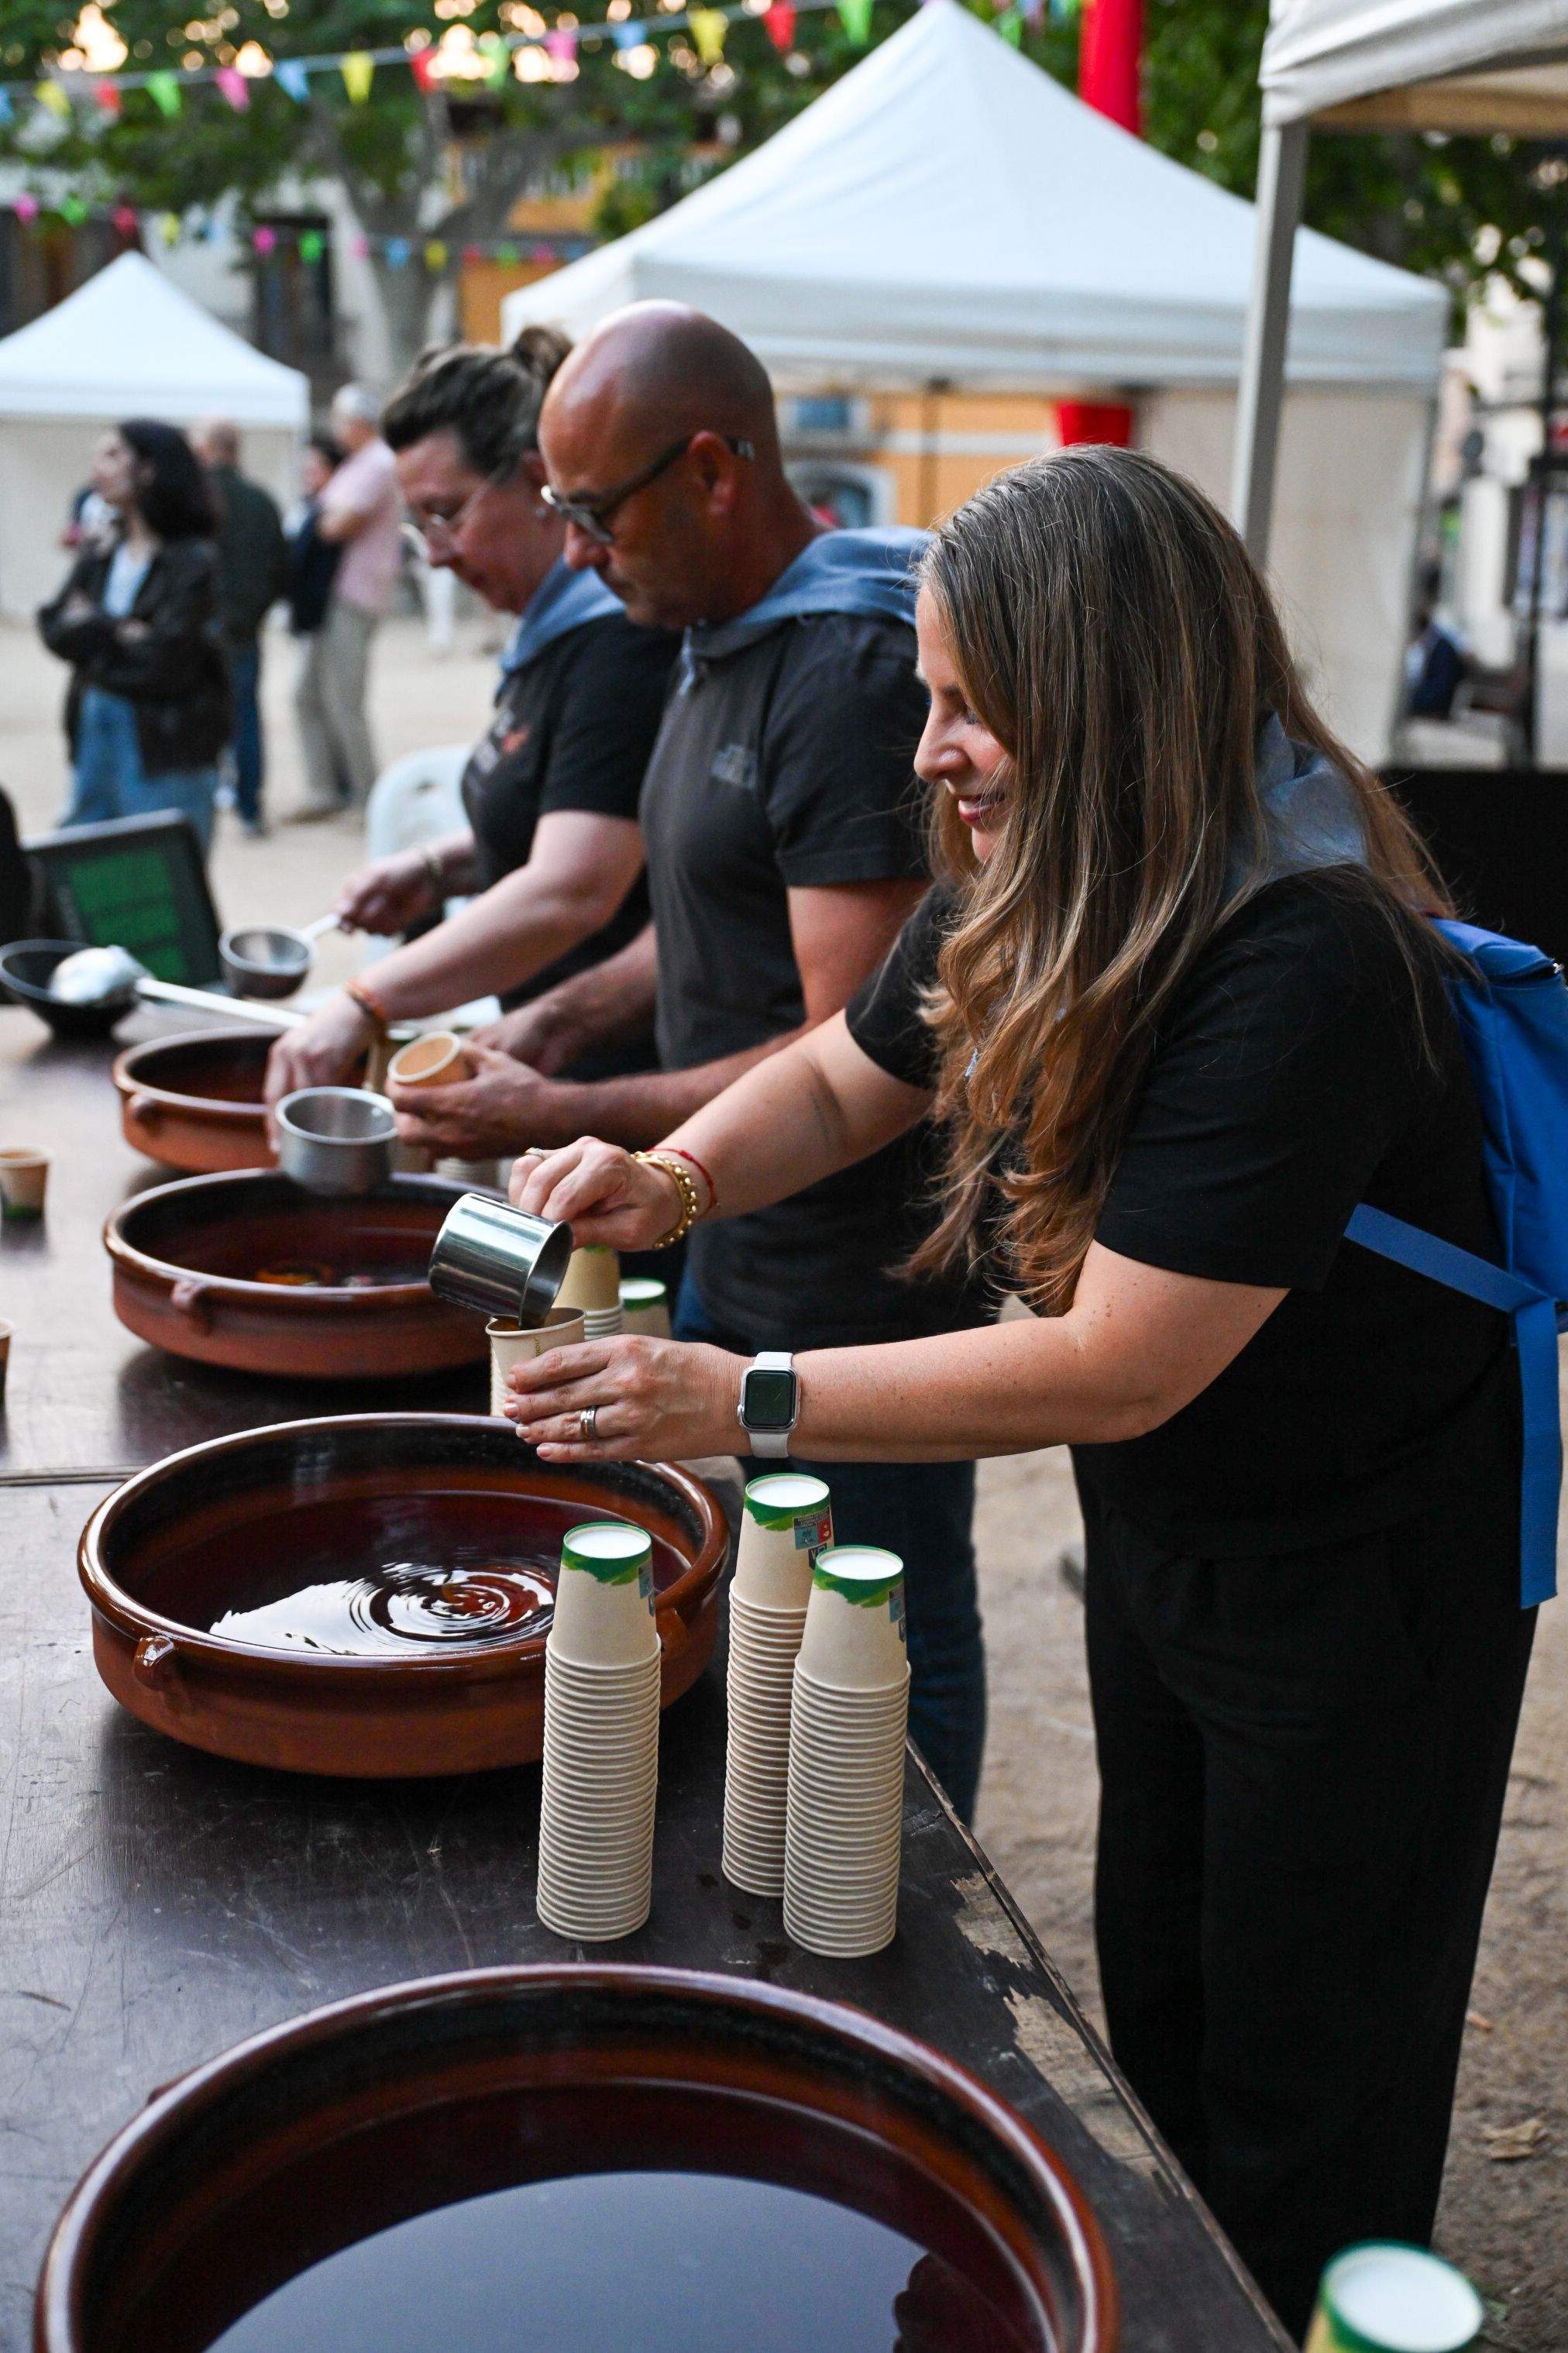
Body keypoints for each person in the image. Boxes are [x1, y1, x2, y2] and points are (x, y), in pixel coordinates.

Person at [496, 448, 1535, 2336]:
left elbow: (1113, 1364)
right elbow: (847, 1074)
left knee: (1312, 2070)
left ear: (1105, 695)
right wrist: (675, 1178)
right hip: (1182, 1526)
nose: (930, 752)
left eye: (970, 704)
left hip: (1363, 1567)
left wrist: (736, 1394)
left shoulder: (1300, 950)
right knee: (1167, 1985)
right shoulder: (1049, 860)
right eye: (927, 694)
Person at [390, 302, 990, 1822]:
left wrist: (568, 1110)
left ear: (714, 471)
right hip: (735, 1230)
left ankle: (921, 1907)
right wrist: (558, 1021)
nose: (577, 550)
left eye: (596, 512)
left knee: (879, 1628)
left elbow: (855, 1041)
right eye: (561, 510)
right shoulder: (707, 638)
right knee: (758, 1629)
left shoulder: (846, 668)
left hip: (854, 1274)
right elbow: (714, 912)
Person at [263, 328, 677, 1116]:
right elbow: (586, 810)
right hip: (562, 1068)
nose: (437, 554)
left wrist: (363, 999)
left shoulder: (617, 646)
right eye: (419, 526)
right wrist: (437, 868)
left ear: (535, 483)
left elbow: (573, 887)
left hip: (625, 1084)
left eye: (446, 515)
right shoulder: (549, 636)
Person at [38, 420, 229, 855]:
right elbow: (54, 626)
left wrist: (96, 628)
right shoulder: (103, 550)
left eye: (113, 455)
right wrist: (123, 632)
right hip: (95, 730)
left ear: (149, 469)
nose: (97, 468)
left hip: (166, 744)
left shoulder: (192, 561)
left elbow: (168, 662)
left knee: (160, 871)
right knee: (89, 865)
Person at [290, 383, 401, 819]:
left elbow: (338, 525)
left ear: (359, 423)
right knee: (309, 696)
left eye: (341, 420)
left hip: (353, 596)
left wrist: (323, 519)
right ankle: (327, 789)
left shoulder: (378, 463)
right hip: (333, 597)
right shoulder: (358, 464)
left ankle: (366, 794)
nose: (337, 430)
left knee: (343, 700)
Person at [191, 418, 291, 838]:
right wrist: (255, 611)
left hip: (197, 632)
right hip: (243, 629)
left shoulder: (192, 498)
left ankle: (201, 808)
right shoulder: (261, 501)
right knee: (245, 717)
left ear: (206, 449)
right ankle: (249, 807)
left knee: (197, 719)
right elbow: (282, 569)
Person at [285, 433, 346, 641]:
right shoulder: (306, 505)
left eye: (314, 465)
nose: (307, 471)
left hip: (325, 609)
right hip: (303, 608)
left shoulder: (336, 509)